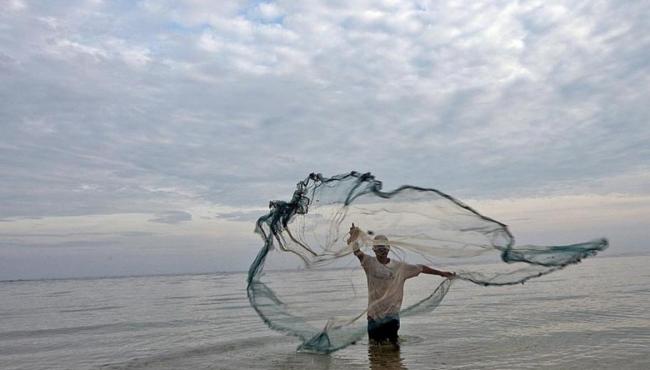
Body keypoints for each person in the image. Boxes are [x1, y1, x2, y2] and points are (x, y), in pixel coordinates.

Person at [347, 223, 455, 345]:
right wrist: (353, 237)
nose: (381, 252)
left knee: (393, 350)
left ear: (388, 249)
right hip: (374, 318)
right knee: (374, 350)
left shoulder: (400, 267)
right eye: (378, 248)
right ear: (374, 250)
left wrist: (441, 273)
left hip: (392, 317)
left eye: (383, 248)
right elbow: (356, 251)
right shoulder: (369, 263)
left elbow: (421, 268)